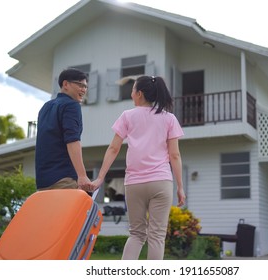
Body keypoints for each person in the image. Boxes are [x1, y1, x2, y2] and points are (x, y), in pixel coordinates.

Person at [89, 75, 186, 260]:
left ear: (139, 94)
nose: (132, 94)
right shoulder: (169, 119)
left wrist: (100, 177)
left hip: (134, 183)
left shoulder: (127, 116)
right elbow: (175, 155)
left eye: (133, 90)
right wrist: (180, 187)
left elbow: (113, 148)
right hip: (161, 182)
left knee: (136, 235)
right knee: (157, 236)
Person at [35, 68, 91, 191]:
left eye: (85, 87)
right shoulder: (71, 105)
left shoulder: (45, 107)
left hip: (42, 182)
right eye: (80, 85)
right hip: (63, 179)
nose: (83, 89)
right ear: (65, 84)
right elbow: (72, 140)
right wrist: (82, 176)